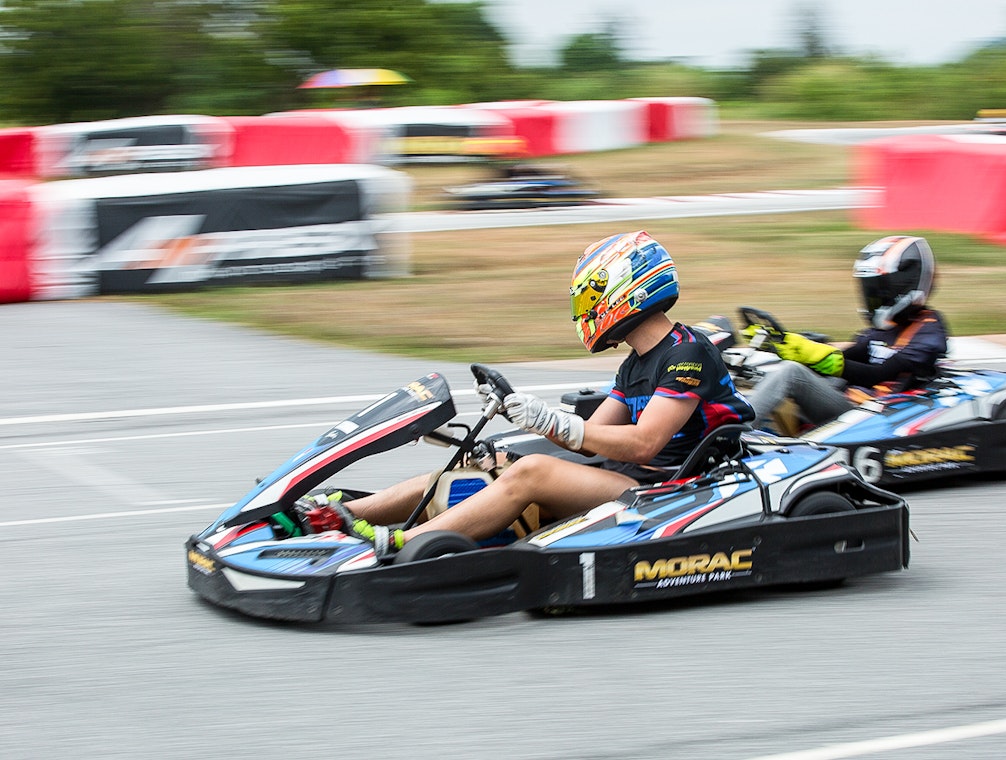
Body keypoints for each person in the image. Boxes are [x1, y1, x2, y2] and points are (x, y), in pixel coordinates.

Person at [299, 230, 754, 555]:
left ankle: (409, 542)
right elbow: (589, 435)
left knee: (532, 472)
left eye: (591, 296)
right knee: (487, 461)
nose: (585, 310)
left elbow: (644, 443)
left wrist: (554, 424)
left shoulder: (688, 354)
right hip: (632, 478)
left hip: (677, 488)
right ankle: (340, 513)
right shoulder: (636, 363)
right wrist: (522, 415)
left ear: (626, 291)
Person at [747, 235, 949, 434]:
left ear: (904, 287)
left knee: (791, 373)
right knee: (777, 371)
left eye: (879, 291)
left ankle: (733, 435)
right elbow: (848, 357)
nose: (872, 298)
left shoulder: (928, 332)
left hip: (872, 418)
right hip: (851, 405)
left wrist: (817, 357)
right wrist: (786, 346)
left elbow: (877, 375)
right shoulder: (885, 328)